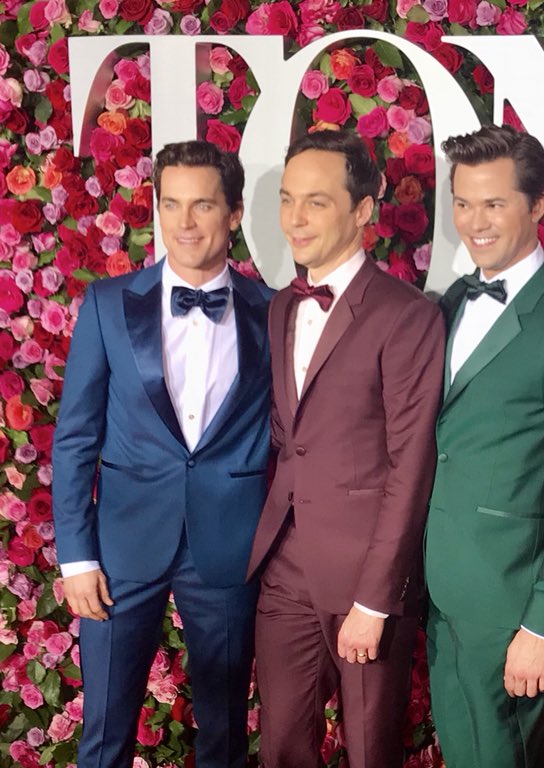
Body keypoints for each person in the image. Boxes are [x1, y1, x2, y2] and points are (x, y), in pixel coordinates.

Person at [52, 140, 274, 768]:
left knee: (225, 734)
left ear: (233, 214)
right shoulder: (106, 306)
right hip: (122, 548)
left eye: (202, 205)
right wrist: (76, 556)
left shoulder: (273, 311)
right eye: (170, 205)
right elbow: (74, 438)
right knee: (103, 731)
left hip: (229, 547)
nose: (183, 223)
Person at [247, 129, 444, 768]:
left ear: (363, 210)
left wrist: (375, 598)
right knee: (280, 743)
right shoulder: (281, 307)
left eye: (317, 202)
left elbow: (411, 465)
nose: (295, 220)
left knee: (368, 750)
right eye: (287, 200)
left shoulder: (407, 315)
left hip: (365, 574)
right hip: (285, 563)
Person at [423, 124, 544, 768]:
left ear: (537, 206)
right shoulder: (450, 301)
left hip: (507, 600)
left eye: (495, 203)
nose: (474, 222)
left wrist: (542, 625)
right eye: (462, 202)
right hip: (439, 582)